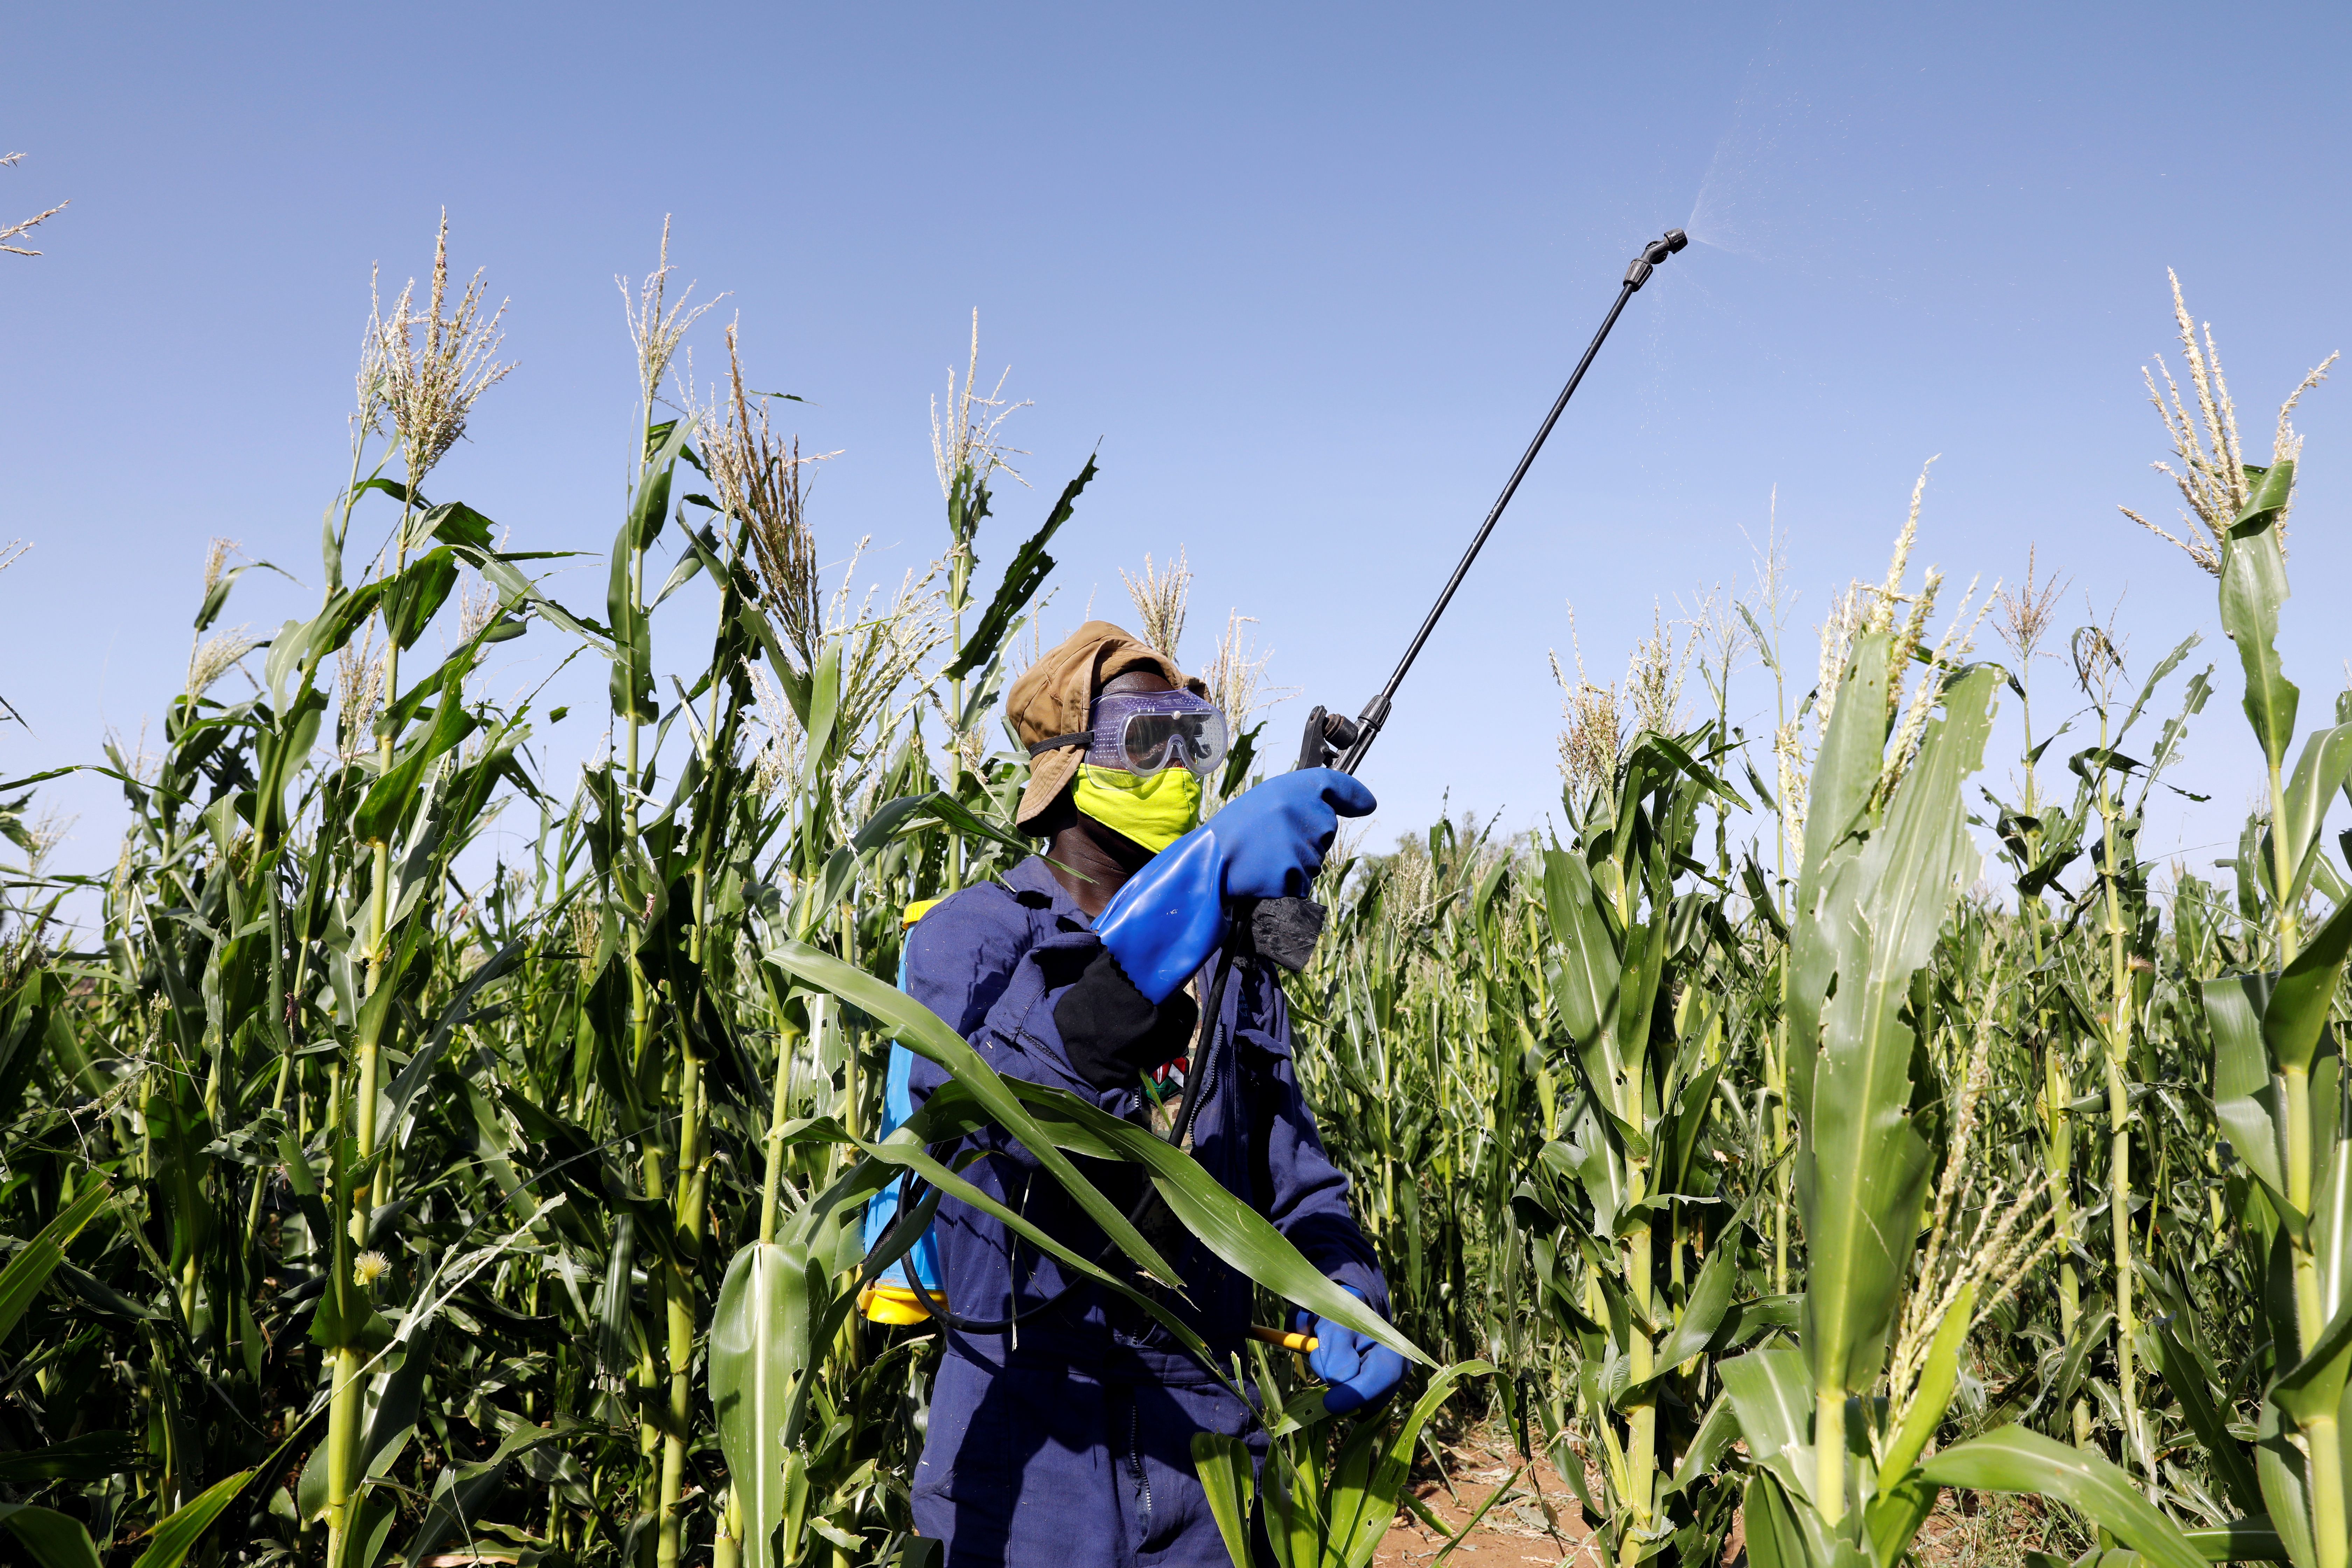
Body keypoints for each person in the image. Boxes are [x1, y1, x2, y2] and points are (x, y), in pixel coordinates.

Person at [895, 620, 1402, 1567]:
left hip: (1202, 1449)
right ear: (1064, 764)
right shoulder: (969, 940)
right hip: (1032, 1441)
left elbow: (1293, 1178)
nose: (1179, 766)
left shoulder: (1232, 971)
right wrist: (1181, 913)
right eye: (1145, 736)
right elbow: (995, 1134)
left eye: (1195, 738)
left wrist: (1341, 1284)